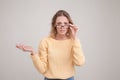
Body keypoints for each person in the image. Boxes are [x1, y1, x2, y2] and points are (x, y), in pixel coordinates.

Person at [16, 10, 85, 80]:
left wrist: (75, 38)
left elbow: (80, 63)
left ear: (70, 25)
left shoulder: (73, 41)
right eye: (59, 23)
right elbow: (42, 69)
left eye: (65, 23)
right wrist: (33, 53)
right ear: (55, 25)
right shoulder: (45, 41)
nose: (62, 26)